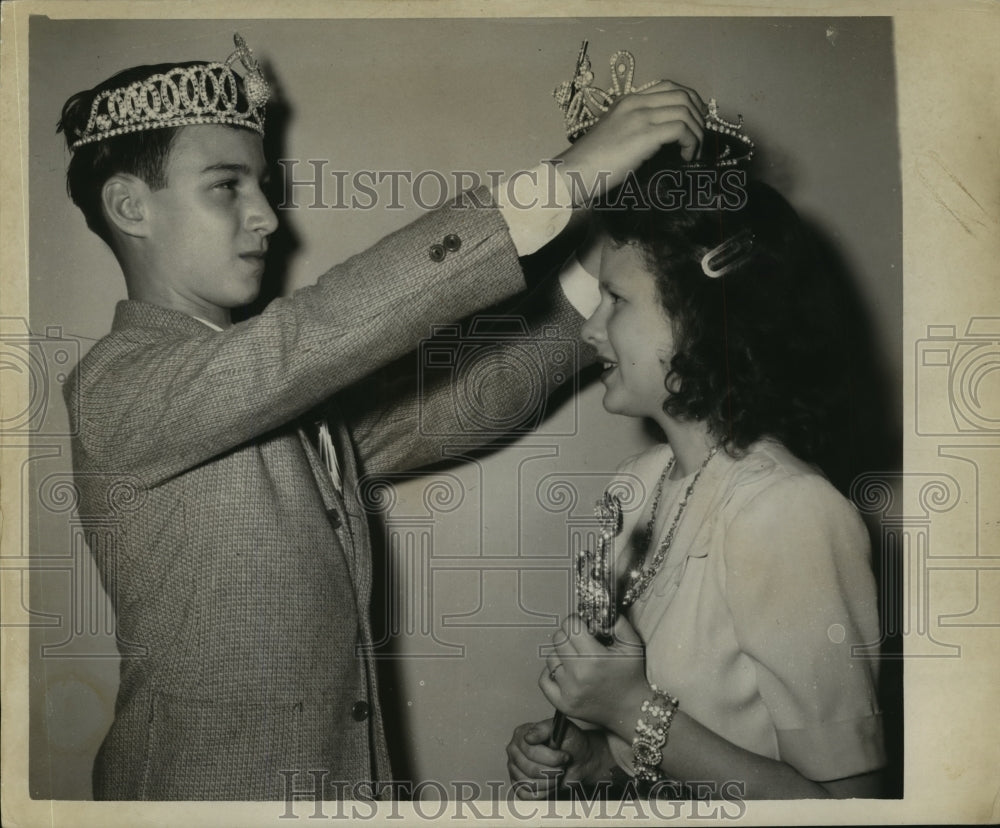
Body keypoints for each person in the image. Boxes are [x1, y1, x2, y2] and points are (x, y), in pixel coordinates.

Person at [58, 33, 708, 800]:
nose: (267, 216)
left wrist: (599, 263)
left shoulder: (261, 396)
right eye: (227, 186)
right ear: (131, 206)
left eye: (262, 185)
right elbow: (317, 332)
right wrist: (557, 187)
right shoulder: (119, 388)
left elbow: (458, 407)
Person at [506, 149, 886, 799]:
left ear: (700, 318)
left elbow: (851, 809)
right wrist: (594, 755)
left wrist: (630, 711)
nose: (591, 330)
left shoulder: (787, 510)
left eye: (616, 300)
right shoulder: (637, 483)